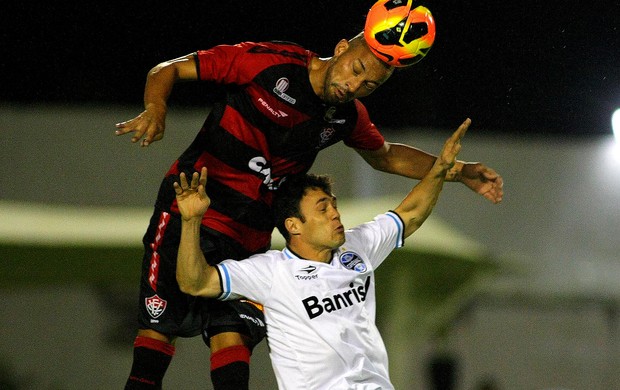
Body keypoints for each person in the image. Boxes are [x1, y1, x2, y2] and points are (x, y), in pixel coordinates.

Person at [115, 32, 503, 389]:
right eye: (355, 70)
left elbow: (385, 157)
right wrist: (155, 108)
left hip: (253, 230)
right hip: (193, 206)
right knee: (157, 327)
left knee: (230, 333)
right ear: (340, 49)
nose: (354, 86)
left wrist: (461, 172)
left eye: (369, 85)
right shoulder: (270, 63)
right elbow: (167, 69)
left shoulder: (345, 116)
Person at [173, 118, 469, 389]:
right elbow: (194, 282)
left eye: (334, 205)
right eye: (323, 208)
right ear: (294, 226)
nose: (335, 214)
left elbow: (411, 214)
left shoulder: (357, 247)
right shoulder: (271, 272)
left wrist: (440, 170)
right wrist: (190, 221)